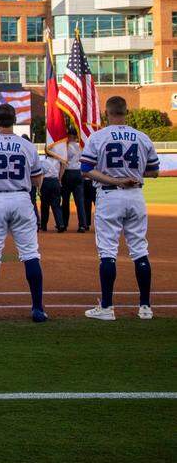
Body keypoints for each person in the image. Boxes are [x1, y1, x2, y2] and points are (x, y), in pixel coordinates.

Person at [80, 96, 160, 321]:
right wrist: (132, 177)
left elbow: (85, 169)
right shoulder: (142, 137)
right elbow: (154, 171)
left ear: (107, 114)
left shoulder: (99, 136)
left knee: (107, 251)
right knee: (139, 250)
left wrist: (116, 180)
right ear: (127, 112)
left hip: (110, 195)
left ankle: (106, 308)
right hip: (135, 196)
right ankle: (145, 307)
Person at [0, 103, 47, 323]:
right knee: (31, 254)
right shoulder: (27, 146)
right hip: (22, 199)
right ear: (14, 120)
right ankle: (38, 309)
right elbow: (37, 179)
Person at [61, 130, 88, 232]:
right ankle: (82, 225)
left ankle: (64, 224)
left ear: (68, 136)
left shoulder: (65, 147)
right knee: (80, 201)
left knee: (65, 201)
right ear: (76, 136)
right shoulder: (81, 146)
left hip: (68, 173)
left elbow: (63, 161)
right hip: (78, 173)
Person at [38, 148, 66, 232]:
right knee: (56, 205)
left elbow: (42, 175)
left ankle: (44, 225)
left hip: (46, 182)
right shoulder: (58, 161)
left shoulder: (44, 161)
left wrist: (39, 187)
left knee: (44, 205)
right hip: (55, 181)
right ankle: (60, 224)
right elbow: (63, 167)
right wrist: (59, 179)